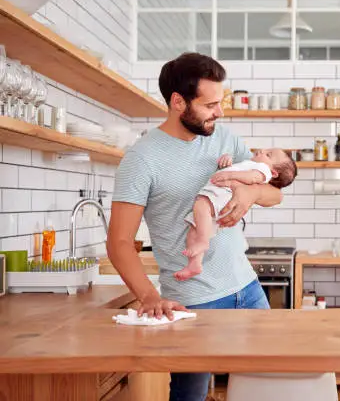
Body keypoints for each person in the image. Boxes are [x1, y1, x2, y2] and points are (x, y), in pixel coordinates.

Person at [106, 52, 283, 401]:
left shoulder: (224, 138)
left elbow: (274, 193)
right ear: (177, 102)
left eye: (221, 102)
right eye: (210, 104)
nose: (219, 112)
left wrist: (249, 193)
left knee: (267, 385)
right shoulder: (141, 159)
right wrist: (149, 296)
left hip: (247, 287)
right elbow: (119, 242)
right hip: (192, 303)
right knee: (190, 396)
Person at [176, 148, 297, 281]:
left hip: (221, 196)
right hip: (219, 198)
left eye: (268, 155)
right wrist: (227, 162)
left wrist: (230, 176)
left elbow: (253, 179)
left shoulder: (262, 169)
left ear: (273, 173)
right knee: (194, 229)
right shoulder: (250, 163)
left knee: (201, 207)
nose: (262, 150)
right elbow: (238, 169)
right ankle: (195, 264)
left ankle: (203, 242)